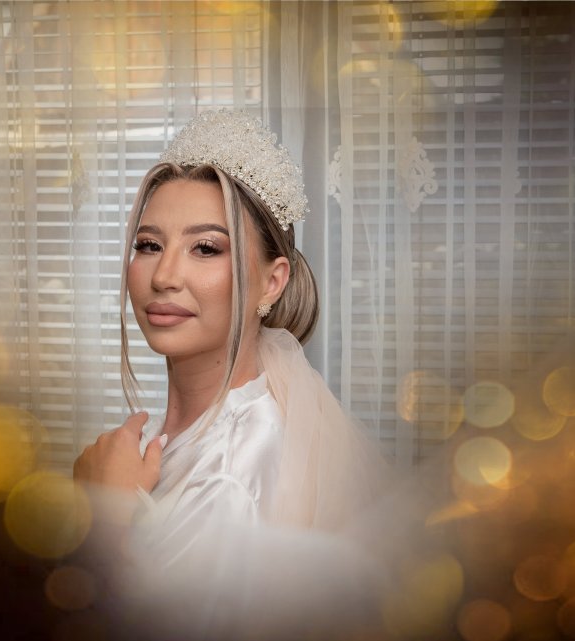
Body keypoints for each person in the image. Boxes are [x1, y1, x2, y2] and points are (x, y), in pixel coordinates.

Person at [73, 110, 383, 544]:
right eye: (149, 245)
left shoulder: (233, 469)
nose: (164, 276)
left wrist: (101, 513)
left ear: (272, 282)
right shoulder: (158, 440)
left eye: (205, 248)